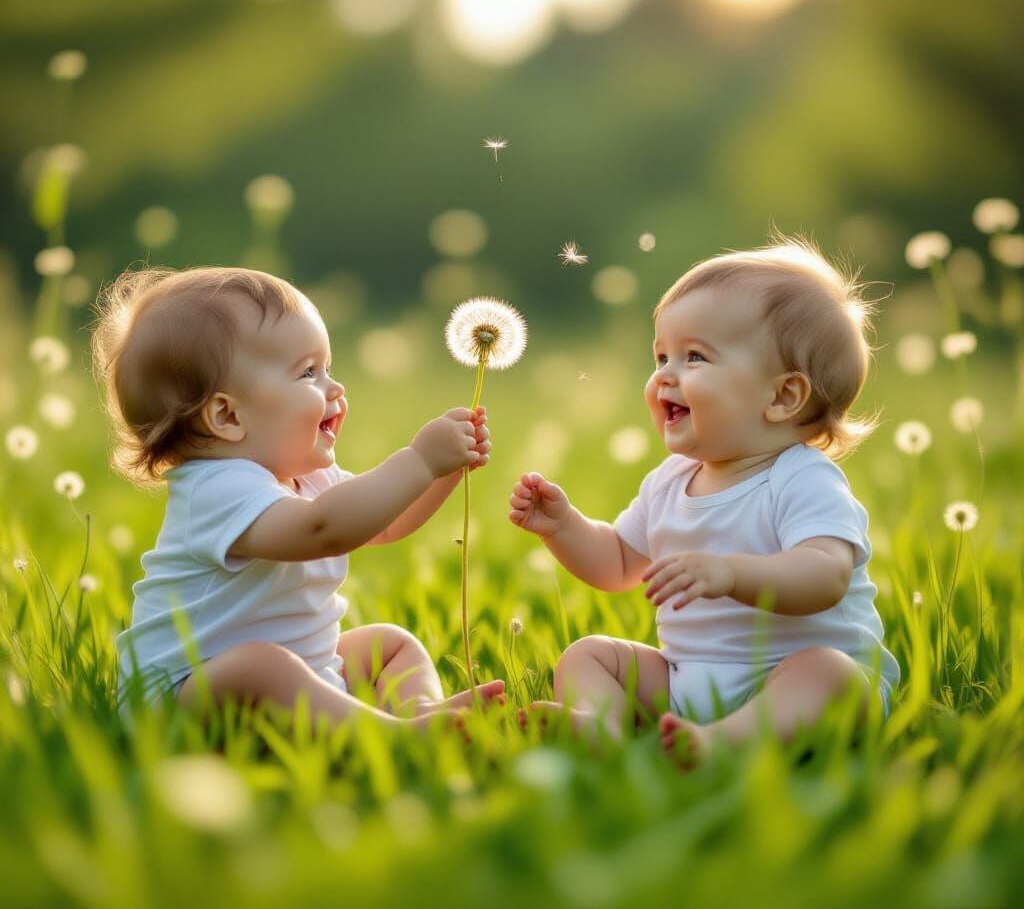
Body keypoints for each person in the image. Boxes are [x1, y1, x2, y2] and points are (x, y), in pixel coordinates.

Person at [508, 235, 899, 766]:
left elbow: (825, 576)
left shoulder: (801, 479)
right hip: (687, 682)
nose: (665, 375)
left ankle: (725, 743)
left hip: (790, 678)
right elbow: (619, 563)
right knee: (592, 655)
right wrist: (563, 527)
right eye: (661, 355)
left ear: (783, 397)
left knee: (833, 675)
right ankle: (604, 729)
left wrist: (731, 574)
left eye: (695, 357)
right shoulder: (670, 481)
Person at [94, 266, 504, 729]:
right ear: (227, 415)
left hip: (301, 673)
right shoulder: (216, 489)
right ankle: (395, 736)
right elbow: (324, 530)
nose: (335, 387)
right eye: (308, 372)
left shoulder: (305, 480)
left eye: (328, 367)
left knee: (389, 645)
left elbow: (385, 523)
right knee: (259, 666)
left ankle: (420, 713)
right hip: (186, 696)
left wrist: (442, 473)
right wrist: (419, 461)